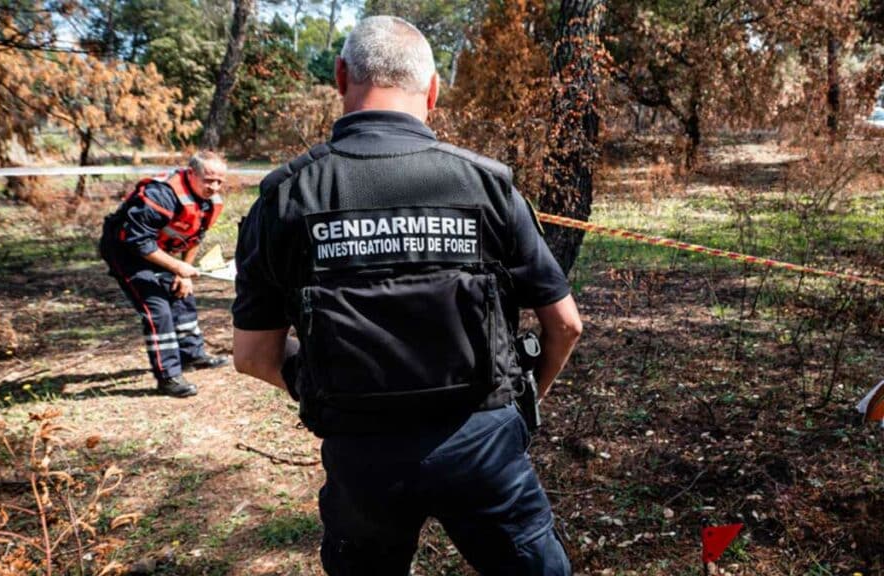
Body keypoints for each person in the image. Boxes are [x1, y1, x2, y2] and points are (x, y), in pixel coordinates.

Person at [232, 16, 583, 575]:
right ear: (434, 92)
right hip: (484, 440)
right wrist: (522, 405)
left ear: (341, 75)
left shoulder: (284, 198)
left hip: (361, 457)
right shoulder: (489, 185)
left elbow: (252, 356)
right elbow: (565, 325)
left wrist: (320, 383)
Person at [100, 151, 230, 398]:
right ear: (191, 174)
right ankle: (168, 376)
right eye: (208, 180)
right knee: (157, 308)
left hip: (160, 249)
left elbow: (194, 237)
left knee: (182, 293)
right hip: (126, 250)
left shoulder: (209, 202)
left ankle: (192, 354)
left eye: (219, 181)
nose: (214, 187)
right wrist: (177, 266)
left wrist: (184, 274)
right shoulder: (160, 195)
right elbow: (137, 242)